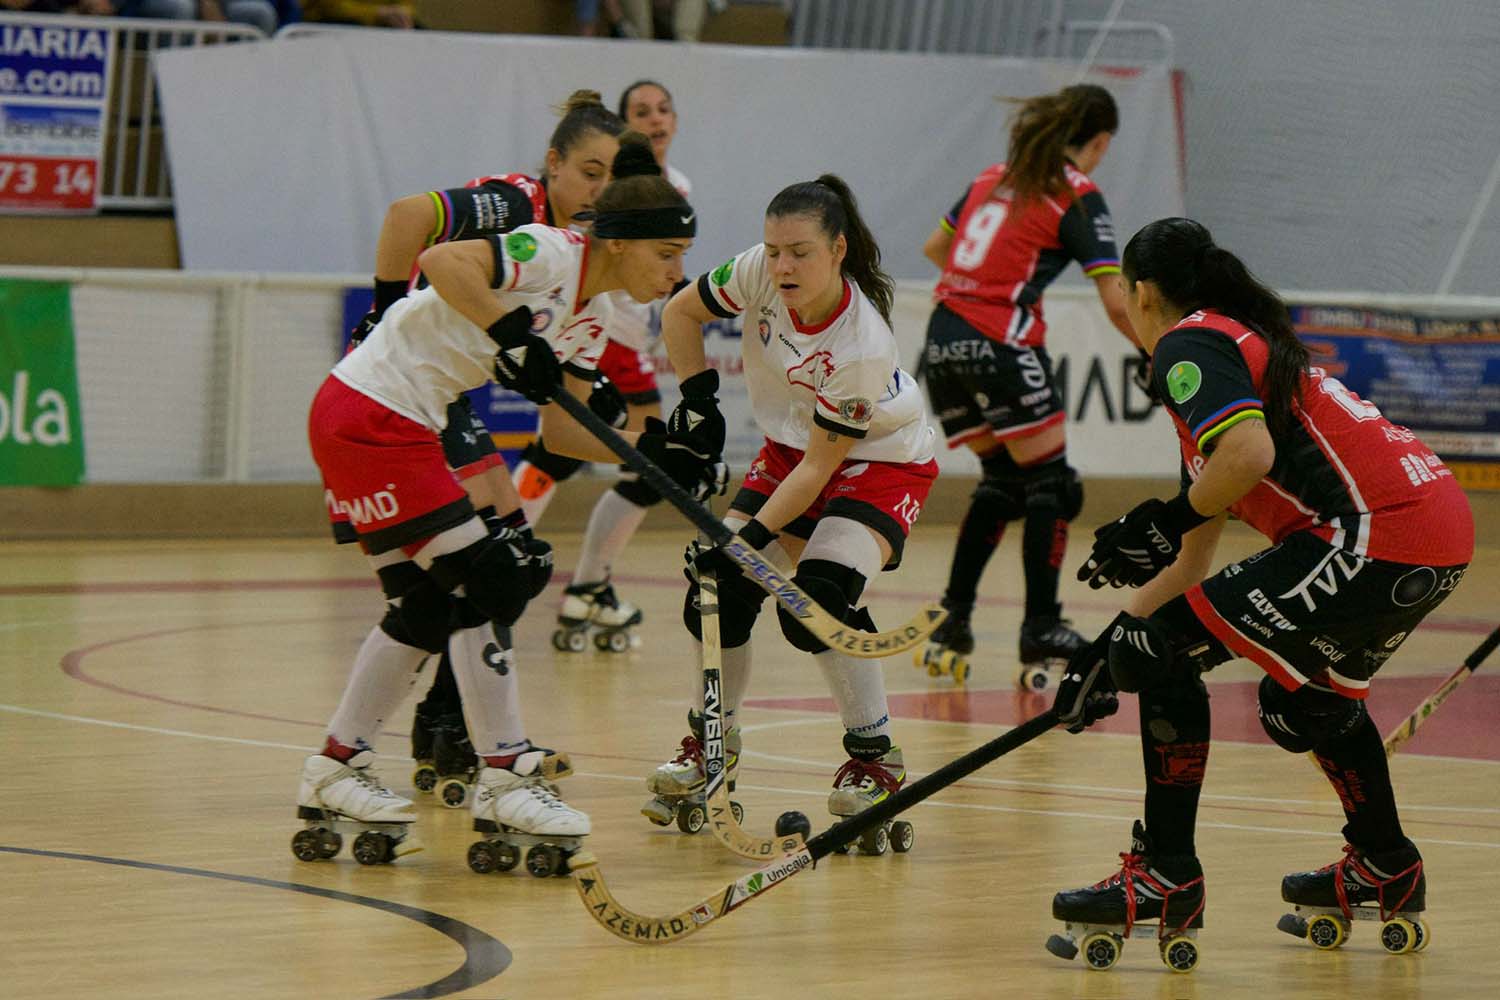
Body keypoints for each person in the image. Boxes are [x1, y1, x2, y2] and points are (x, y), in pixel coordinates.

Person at [1048, 217, 1472, 960]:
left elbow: (1249, 453)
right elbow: (1188, 563)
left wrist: (1161, 527)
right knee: (1305, 700)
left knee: (1163, 652)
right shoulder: (1236, 348)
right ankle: (1385, 863)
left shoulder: (1191, 343)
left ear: (1142, 294)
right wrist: (1102, 651)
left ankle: (1165, 874)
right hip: (1433, 530)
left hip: (1375, 532)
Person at [295, 135, 719, 865]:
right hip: (371, 412)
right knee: (492, 577)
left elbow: (563, 428)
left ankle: (335, 768)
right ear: (616, 243)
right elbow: (441, 259)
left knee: (430, 605)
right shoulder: (553, 251)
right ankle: (506, 771)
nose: (677, 272)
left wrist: (658, 454)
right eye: (666, 254)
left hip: (397, 424)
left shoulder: (596, 314)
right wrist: (509, 330)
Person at [345, 90, 627, 799]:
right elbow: (409, 219)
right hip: (402, 387)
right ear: (554, 164)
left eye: (611, 179)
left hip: (442, 395)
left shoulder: (583, 255)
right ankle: (442, 728)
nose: (599, 190)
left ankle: (435, 724)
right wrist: (381, 309)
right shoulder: (516, 205)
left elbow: (558, 413)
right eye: (589, 172)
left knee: (515, 561)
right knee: (499, 564)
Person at [642, 175, 939, 841]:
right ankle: (712, 745)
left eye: (799, 252)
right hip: (790, 450)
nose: (782, 266)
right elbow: (680, 314)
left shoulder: (862, 345)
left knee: (819, 604)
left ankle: (876, 757)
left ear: (837, 251)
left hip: (877, 462)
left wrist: (741, 535)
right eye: (774, 249)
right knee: (716, 595)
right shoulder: (759, 270)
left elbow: (820, 470)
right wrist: (697, 405)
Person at [915, 83, 1143, 690]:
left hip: (942, 342)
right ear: (1096, 142)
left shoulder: (995, 175)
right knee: (1052, 484)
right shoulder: (1077, 193)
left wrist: (984, 282)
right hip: (1000, 344)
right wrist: (1154, 348)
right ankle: (1042, 623)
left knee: (1003, 483)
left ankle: (953, 619)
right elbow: (1115, 298)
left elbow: (937, 246)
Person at [513, 79, 694, 653]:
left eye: (664, 108)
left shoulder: (680, 186)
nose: (655, 119)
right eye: (641, 112)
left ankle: (587, 582)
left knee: (640, 461)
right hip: (596, 332)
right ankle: (512, 554)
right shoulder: (608, 186)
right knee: (570, 448)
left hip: (625, 338)